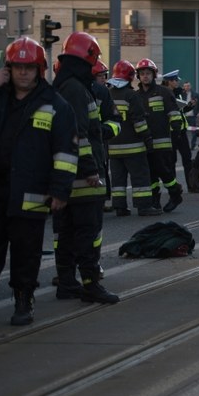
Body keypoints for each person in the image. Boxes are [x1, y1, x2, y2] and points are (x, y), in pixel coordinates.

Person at [0, 37, 77, 325]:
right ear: (8, 68)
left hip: (31, 192)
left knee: (26, 252)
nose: (23, 72)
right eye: (18, 66)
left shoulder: (56, 105)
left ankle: (24, 300)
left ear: (40, 70)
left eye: (29, 67)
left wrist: (60, 189)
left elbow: (66, 151)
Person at [52, 31, 119, 304]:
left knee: (66, 232)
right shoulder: (77, 90)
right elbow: (79, 134)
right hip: (84, 178)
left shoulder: (65, 86)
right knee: (87, 232)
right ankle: (91, 284)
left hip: (66, 176)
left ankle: (67, 283)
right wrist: (91, 169)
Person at [107, 60, 160, 216]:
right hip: (134, 147)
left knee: (118, 180)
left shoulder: (108, 94)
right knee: (140, 178)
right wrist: (148, 138)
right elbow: (139, 122)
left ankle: (120, 207)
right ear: (131, 76)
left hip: (113, 147)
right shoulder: (131, 95)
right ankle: (143, 207)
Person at [135, 58, 185, 212]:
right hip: (145, 142)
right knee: (150, 174)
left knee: (165, 172)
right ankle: (155, 199)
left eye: (148, 73)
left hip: (162, 141)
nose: (145, 76)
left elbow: (174, 112)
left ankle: (175, 193)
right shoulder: (136, 96)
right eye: (142, 73)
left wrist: (176, 130)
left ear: (154, 75)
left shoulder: (164, 92)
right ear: (138, 76)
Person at [91, 60, 121, 213]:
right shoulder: (83, 92)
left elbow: (114, 119)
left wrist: (101, 131)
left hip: (100, 140)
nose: (103, 79)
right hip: (90, 140)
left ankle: (102, 201)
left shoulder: (104, 94)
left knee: (102, 168)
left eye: (104, 76)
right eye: (100, 76)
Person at [160, 70, 196, 192]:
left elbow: (181, 111)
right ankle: (173, 188)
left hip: (181, 130)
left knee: (187, 158)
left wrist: (189, 106)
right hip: (170, 132)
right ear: (169, 82)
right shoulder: (164, 94)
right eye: (175, 80)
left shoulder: (178, 93)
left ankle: (192, 186)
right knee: (172, 160)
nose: (177, 82)